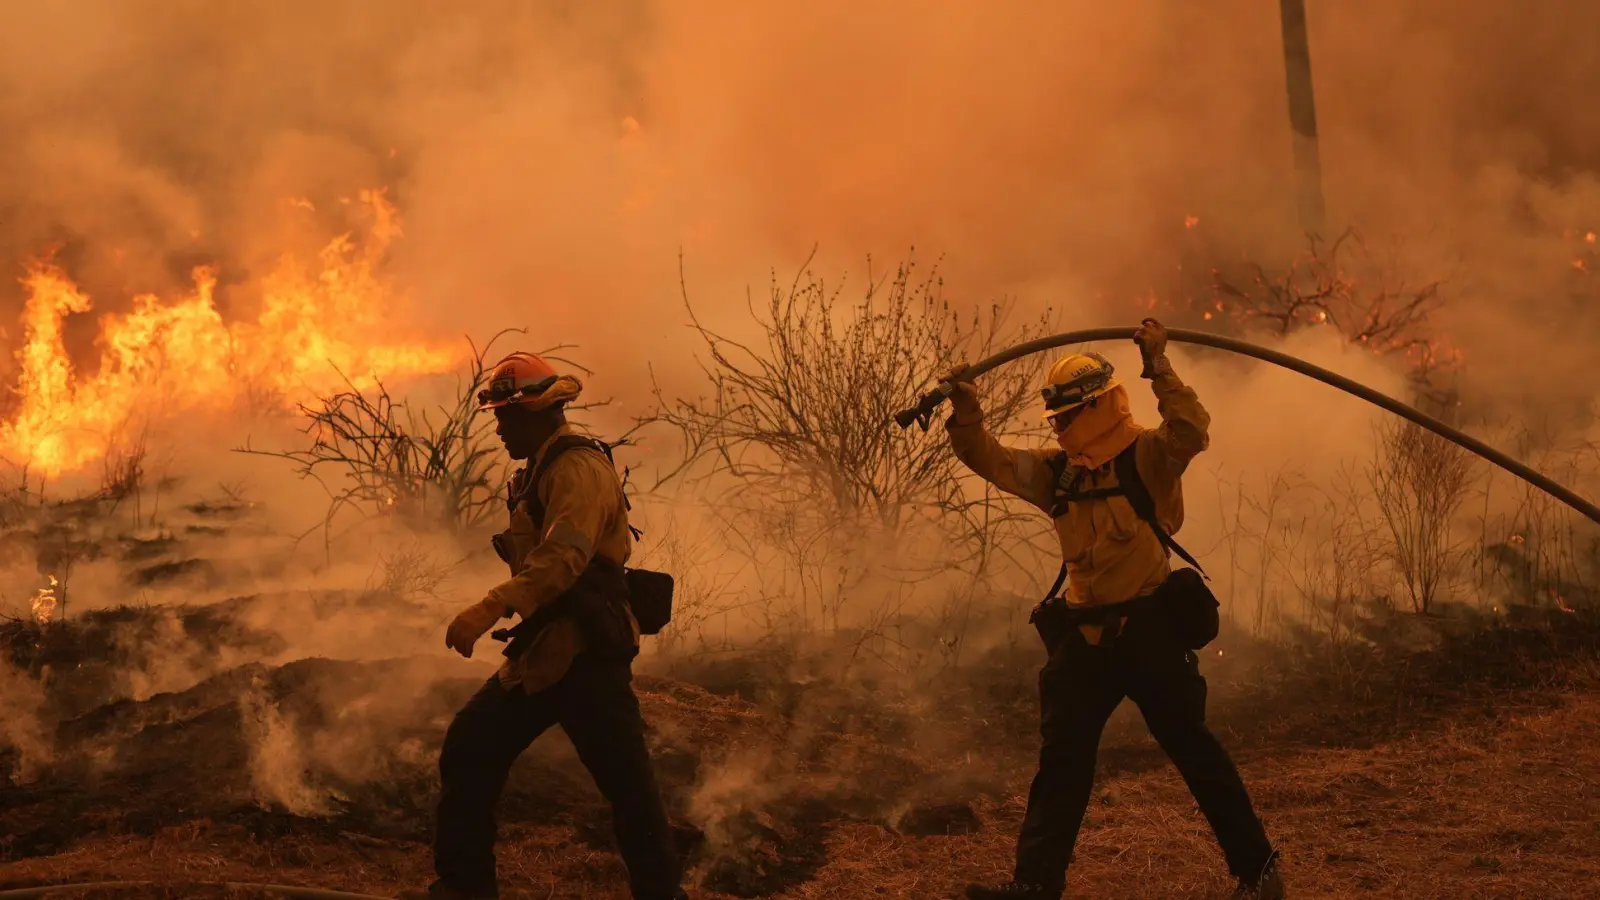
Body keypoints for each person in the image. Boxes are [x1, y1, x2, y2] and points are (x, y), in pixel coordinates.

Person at [947, 319, 1283, 900]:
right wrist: (967, 411)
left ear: (1097, 407)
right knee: (1062, 764)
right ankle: (1035, 885)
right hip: (1086, 639)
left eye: (1067, 416)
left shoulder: (1148, 455)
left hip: (1151, 630)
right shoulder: (1060, 473)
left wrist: (1159, 365)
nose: (1058, 427)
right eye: (1055, 419)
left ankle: (1258, 873)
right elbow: (992, 459)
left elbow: (1192, 431)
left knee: (1194, 752)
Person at [401, 352, 686, 900]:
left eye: (508, 418)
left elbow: (562, 559)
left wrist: (489, 608)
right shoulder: (540, 470)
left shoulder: (577, 470)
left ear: (539, 413)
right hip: (549, 653)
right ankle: (464, 888)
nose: (501, 429)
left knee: (629, 791)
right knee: (471, 745)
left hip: (587, 657)